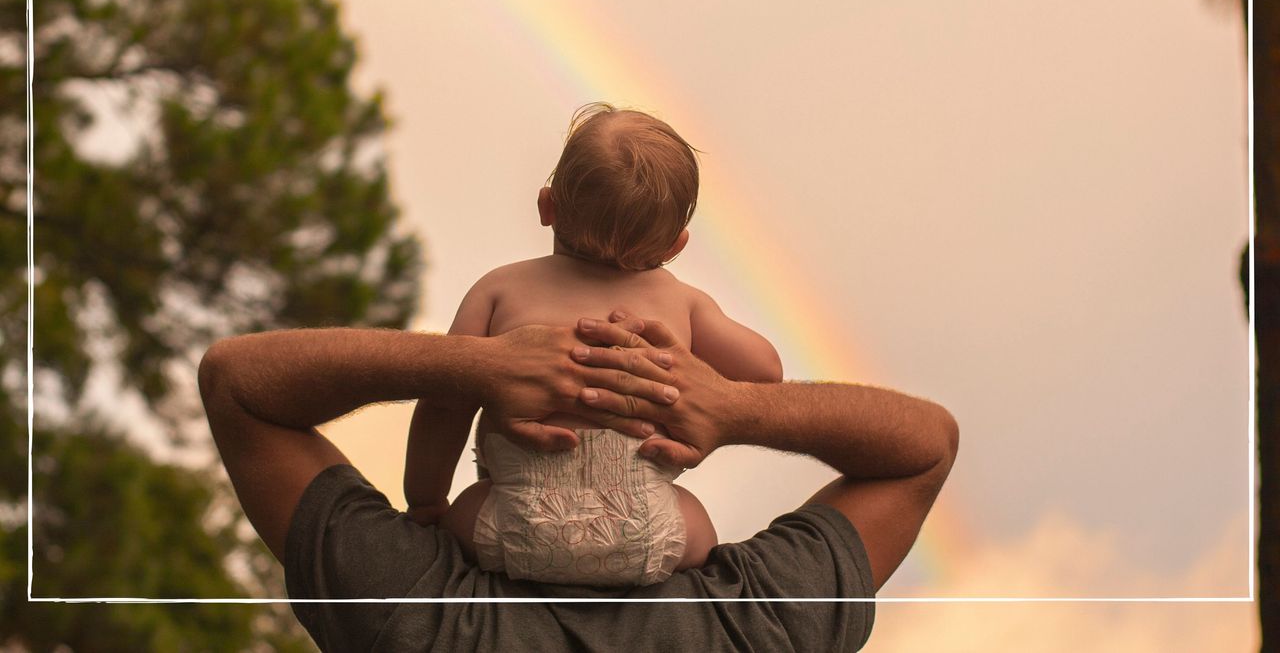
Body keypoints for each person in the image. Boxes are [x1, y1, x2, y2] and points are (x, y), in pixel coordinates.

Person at [199, 313, 958, 652]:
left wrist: (477, 365)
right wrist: (732, 405)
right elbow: (924, 445)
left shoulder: (425, 623)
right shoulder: (745, 628)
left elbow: (238, 383)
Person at [403, 103, 783, 586]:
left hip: (512, 524)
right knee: (700, 527)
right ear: (675, 246)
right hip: (646, 532)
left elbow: (443, 401)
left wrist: (428, 502)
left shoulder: (500, 288)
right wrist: (685, 364)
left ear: (547, 206)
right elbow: (767, 373)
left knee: (463, 516)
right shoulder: (681, 302)